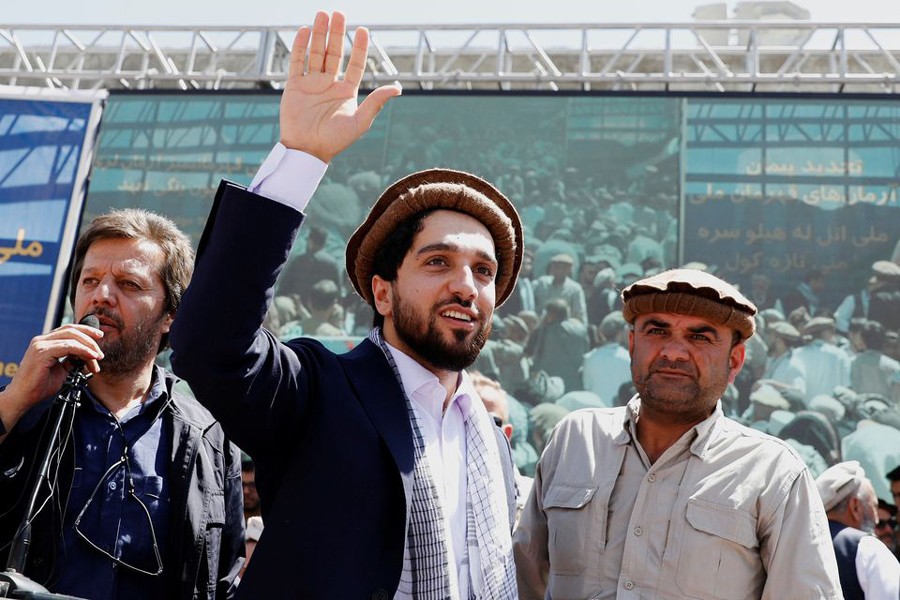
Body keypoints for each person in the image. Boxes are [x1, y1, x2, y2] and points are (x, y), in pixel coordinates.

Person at [168, 11, 519, 599]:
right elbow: (211, 346)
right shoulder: (320, 392)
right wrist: (301, 156)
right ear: (382, 291)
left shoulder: (488, 436)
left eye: (484, 272)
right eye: (437, 262)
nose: (465, 285)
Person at [514, 268, 841, 599]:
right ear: (631, 344)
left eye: (700, 337)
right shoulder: (576, 439)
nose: (673, 352)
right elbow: (520, 581)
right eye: (657, 331)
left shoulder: (773, 474)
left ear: (735, 361)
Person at [0, 209, 244, 599]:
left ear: (170, 316)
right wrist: (12, 401)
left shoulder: (207, 437)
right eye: (90, 280)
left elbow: (223, 582)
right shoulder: (27, 410)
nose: (101, 295)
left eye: (129, 284)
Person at [815, 461, 900, 599]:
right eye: (873, 506)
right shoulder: (867, 548)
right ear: (855, 507)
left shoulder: (801, 548)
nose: (877, 519)